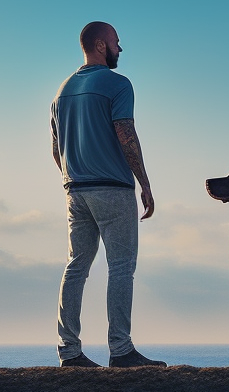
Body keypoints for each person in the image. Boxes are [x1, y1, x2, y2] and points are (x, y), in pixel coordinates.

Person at [51, 21, 165, 368]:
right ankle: (121, 349)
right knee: (121, 268)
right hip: (112, 188)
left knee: (76, 267)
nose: (120, 48)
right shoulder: (118, 85)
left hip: (75, 189)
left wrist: (73, 179)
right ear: (101, 45)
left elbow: (56, 149)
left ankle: (68, 351)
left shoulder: (62, 91)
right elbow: (125, 134)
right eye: (116, 42)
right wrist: (144, 182)